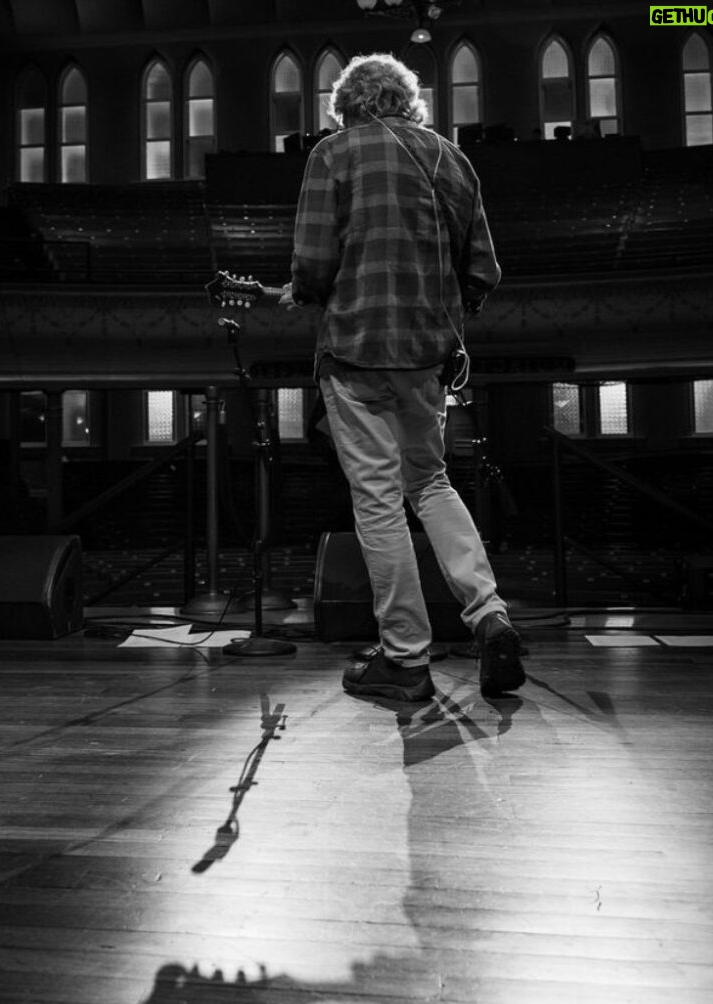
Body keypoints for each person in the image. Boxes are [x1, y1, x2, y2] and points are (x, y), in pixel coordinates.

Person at [280, 52, 524, 703]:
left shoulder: (333, 154)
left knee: (380, 501)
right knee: (432, 481)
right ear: (405, 101)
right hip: (426, 360)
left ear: (350, 104)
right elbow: (483, 272)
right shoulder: (451, 158)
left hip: (357, 354)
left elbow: (312, 263)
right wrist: (442, 316)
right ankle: (490, 614)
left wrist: (303, 291)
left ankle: (406, 658)